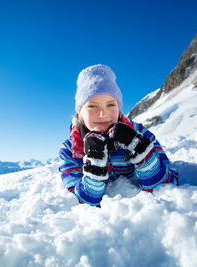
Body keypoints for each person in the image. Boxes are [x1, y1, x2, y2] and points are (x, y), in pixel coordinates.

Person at [59, 64, 179, 207]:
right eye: (92, 106)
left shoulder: (139, 134)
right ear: (80, 112)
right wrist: (94, 171)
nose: (103, 114)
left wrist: (142, 154)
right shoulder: (70, 149)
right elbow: (81, 204)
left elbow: (167, 187)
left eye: (111, 105)